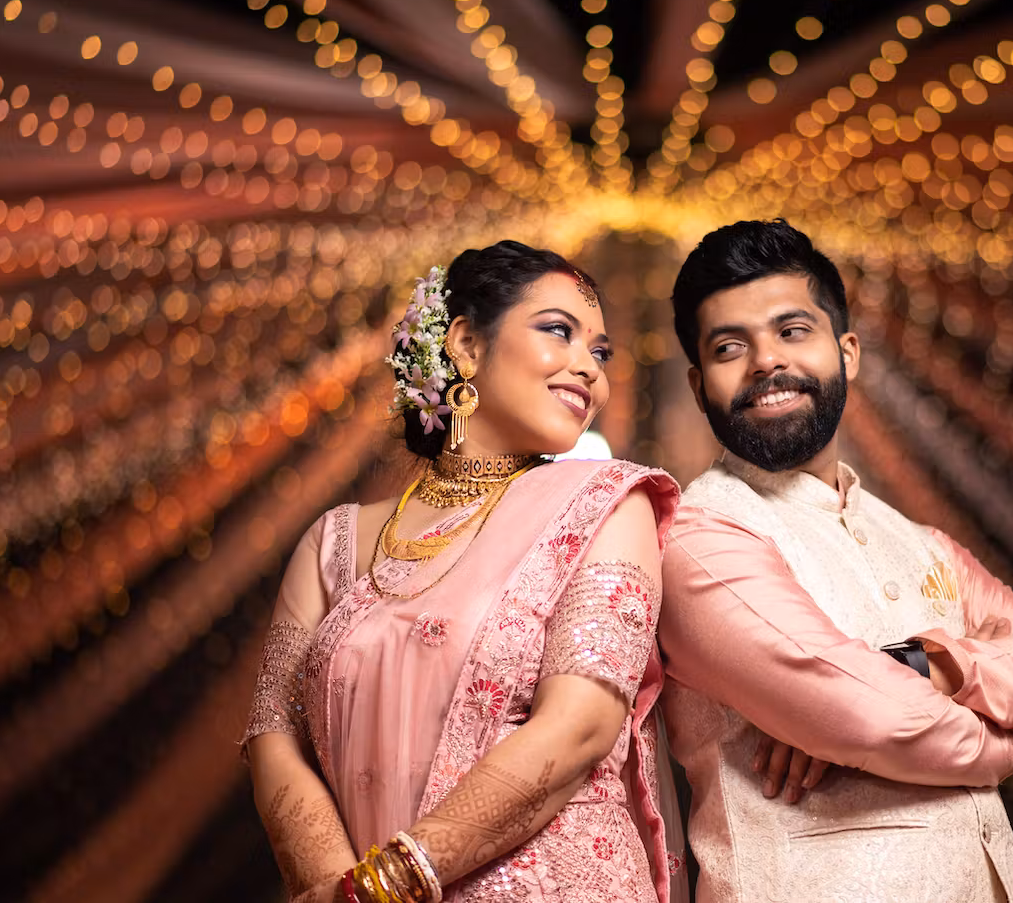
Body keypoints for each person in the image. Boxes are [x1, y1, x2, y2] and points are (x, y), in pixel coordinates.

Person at [658, 219, 1013, 903]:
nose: (765, 363)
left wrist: (928, 663)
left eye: (792, 330)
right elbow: (878, 721)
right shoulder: (703, 537)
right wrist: (1011, 746)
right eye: (728, 347)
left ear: (849, 352)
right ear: (698, 385)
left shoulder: (921, 542)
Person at [241, 241, 683, 903]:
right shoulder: (334, 541)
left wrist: (388, 883)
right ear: (468, 346)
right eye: (558, 332)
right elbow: (274, 735)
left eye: (599, 352)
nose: (588, 369)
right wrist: (339, 890)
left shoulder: (605, 504)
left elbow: (582, 724)